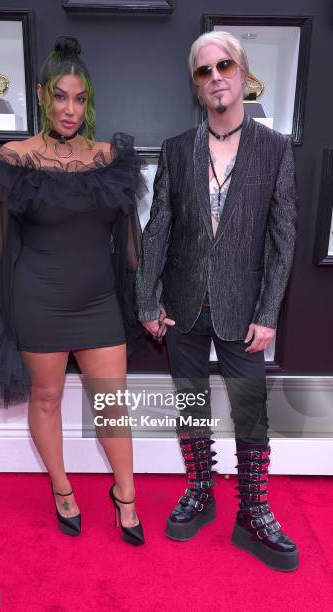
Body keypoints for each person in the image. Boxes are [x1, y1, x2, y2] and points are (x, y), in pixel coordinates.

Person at [0, 36, 144, 546]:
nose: (70, 109)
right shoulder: (15, 158)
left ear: (89, 100)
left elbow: (129, 240)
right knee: (48, 398)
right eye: (60, 96)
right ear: (40, 94)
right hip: (39, 301)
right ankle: (62, 489)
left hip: (99, 302)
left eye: (79, 99)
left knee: (111, 406)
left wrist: (147, 296)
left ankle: (126, 497)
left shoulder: (108, 157)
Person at [136, 31, 298, 569]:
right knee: (191, 405)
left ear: (245, 73)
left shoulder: (274, 149)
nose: (216, 77)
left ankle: (253, 512)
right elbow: (157, 228)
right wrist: (147, 301)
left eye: (224, 65)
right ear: (196, 84)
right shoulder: (177, 150)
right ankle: (200, 491)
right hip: (182, 305)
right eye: (204, 71)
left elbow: (283, 239)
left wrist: (269, 313)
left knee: (251, 413)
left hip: (244, 308)